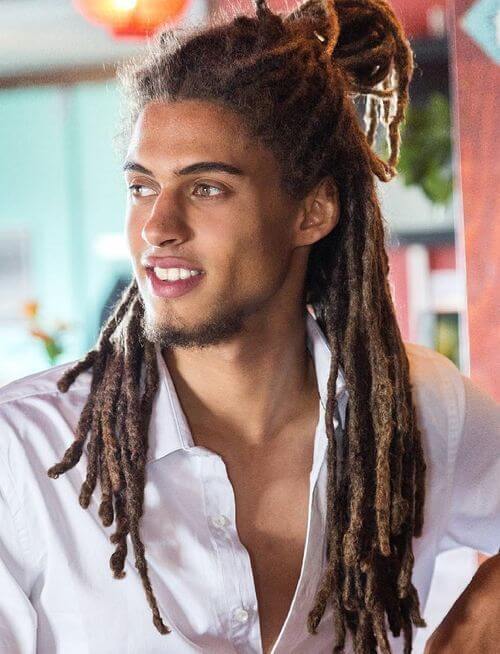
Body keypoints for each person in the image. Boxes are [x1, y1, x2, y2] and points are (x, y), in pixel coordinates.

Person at [0, 0, 498, 652]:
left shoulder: (417, 408)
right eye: (142, 187)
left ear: (312, 212)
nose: (158, 227)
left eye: (206, 187)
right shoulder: (25, 453)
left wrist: (475, 623)